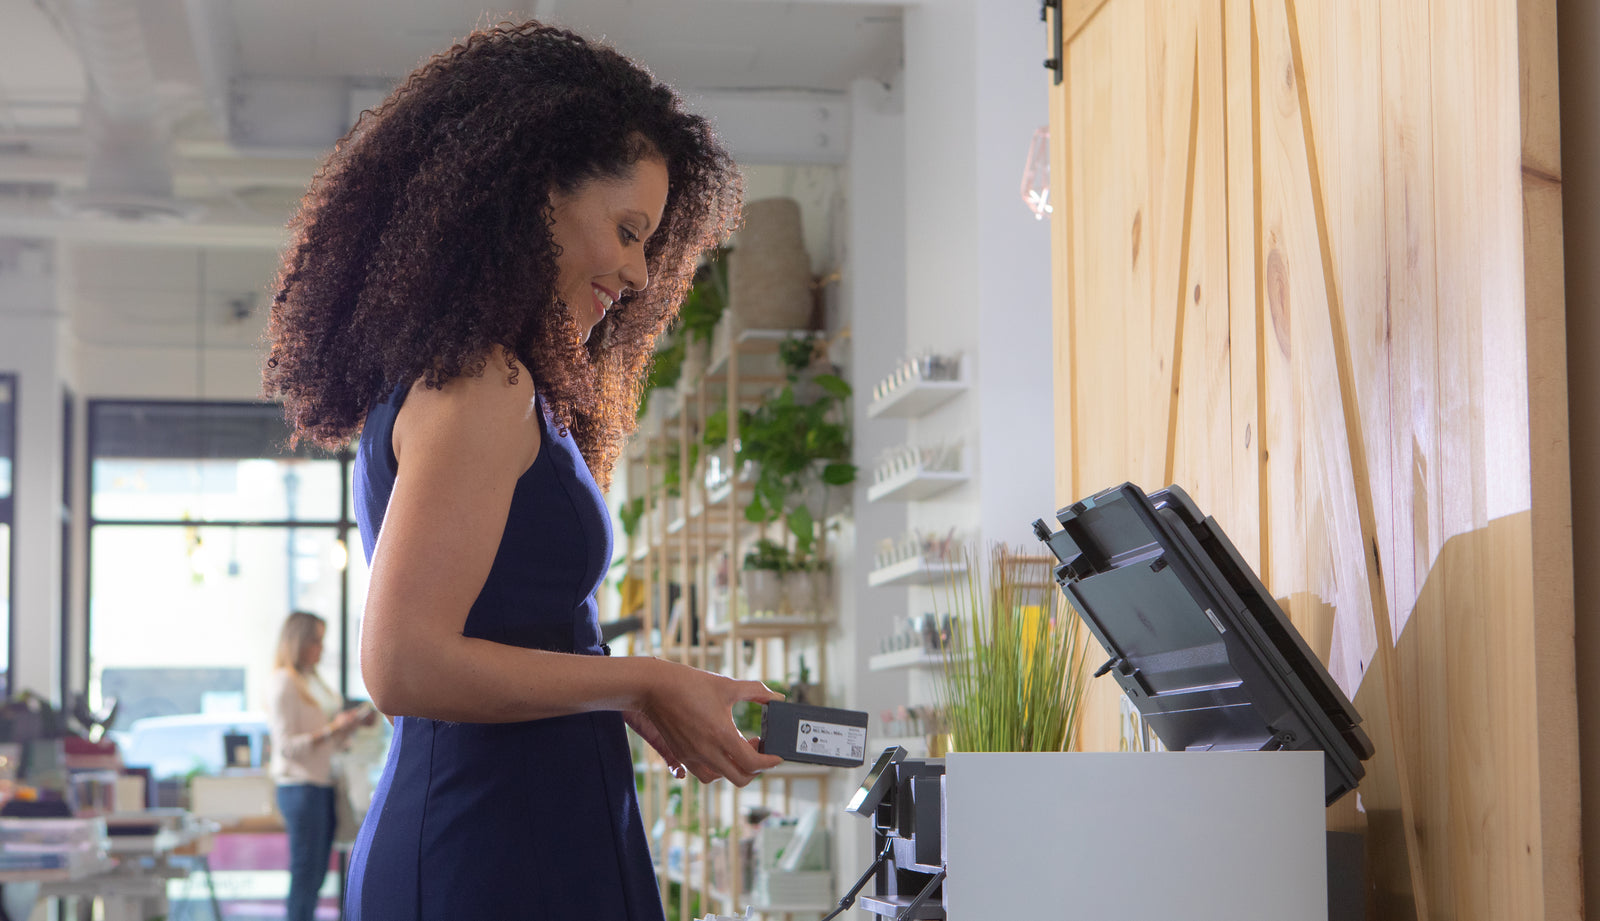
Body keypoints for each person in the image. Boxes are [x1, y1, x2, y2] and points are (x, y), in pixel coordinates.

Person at [262, 20, 785, 921]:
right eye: (627, 230)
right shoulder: (479, 383)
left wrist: (638, 691)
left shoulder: (488, 380)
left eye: (650, 242)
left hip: (517, 828)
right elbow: (402, 664)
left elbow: (500, 641)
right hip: (489, 846)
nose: (635, 269)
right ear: (535, 193)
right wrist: (642, 679)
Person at [266, 611, 376, 921]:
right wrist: (333, 728)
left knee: (315, 875)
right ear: (298, 641)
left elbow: (329, 742)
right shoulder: (284, 683)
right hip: (300, 788)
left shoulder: (312, 680)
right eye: (316, 640)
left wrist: (350, 725)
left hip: (324, 784)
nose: (321, 648)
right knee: (305, 874)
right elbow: (286, 746)